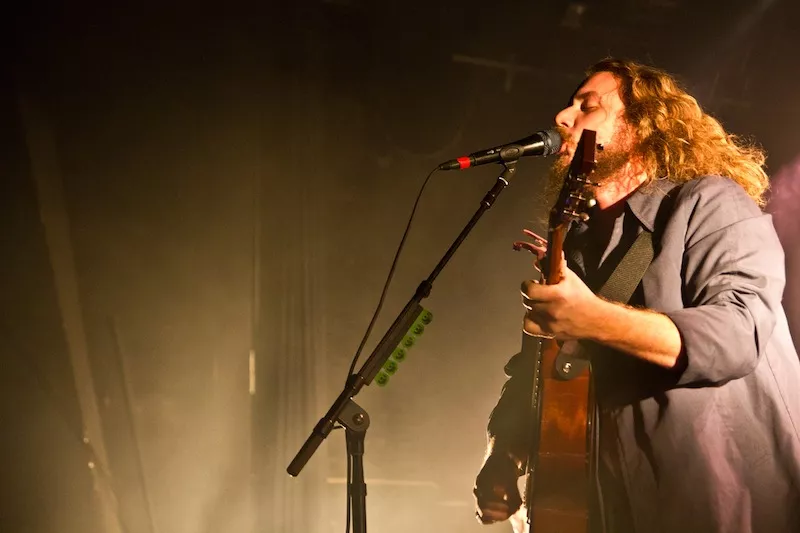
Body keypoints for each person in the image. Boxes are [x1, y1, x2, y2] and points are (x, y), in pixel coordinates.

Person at [473, 58, 800, 533]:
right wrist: (503, 453)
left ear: (644, 125)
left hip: (719, 504)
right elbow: (536, 376)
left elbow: (737, 335)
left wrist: (593, 319)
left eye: (587, 105)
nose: (562, 117)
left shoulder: (710, 202)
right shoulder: (577, 247)